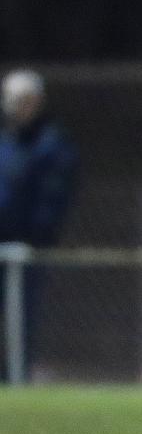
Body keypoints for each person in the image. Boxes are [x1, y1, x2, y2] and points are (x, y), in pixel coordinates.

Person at [0, 69, 79, 380]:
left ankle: (18, 376)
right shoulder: (5, 141)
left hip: (27, 247)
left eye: (26, 100)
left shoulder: (52, 143)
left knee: (22, 317)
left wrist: (36, 236)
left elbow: (53, 197)